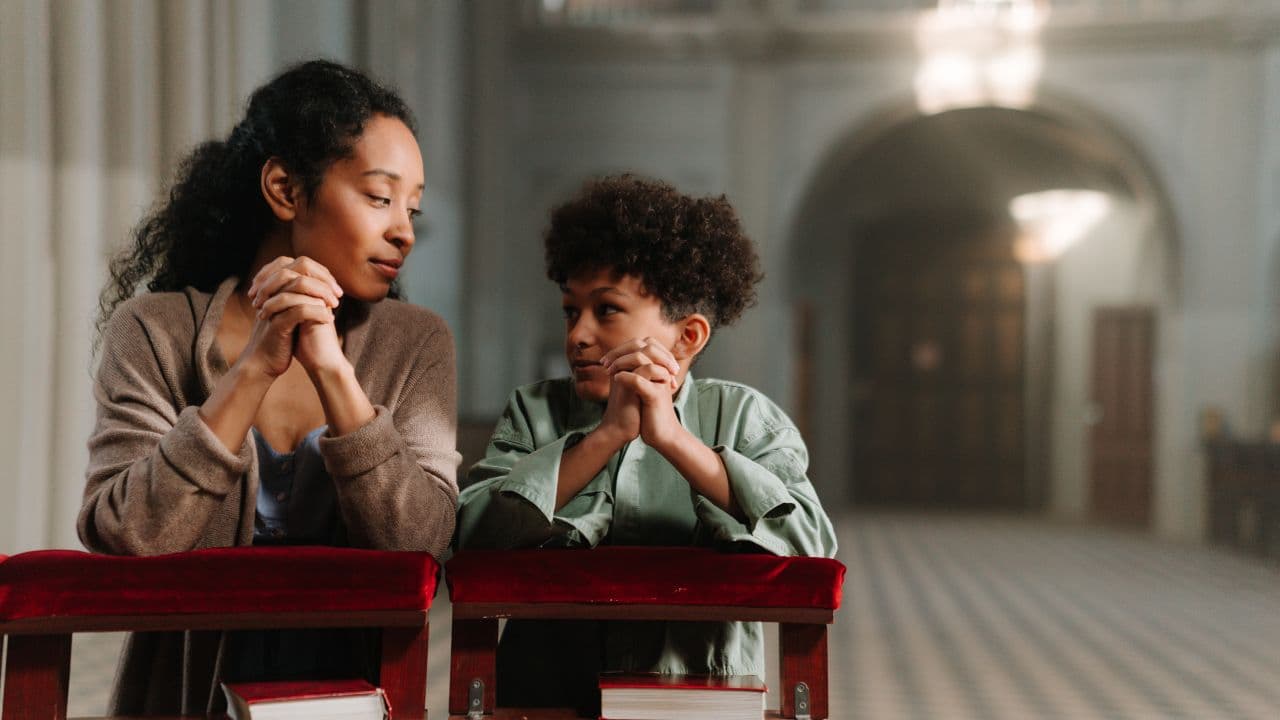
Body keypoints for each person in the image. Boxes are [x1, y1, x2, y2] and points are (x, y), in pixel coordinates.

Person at [80, 60, 459, 715]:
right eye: (378, 196)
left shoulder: (417, 341)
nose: (404, 229)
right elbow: (126, 532)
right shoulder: (154, 328)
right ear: (285, 189)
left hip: (357, 696)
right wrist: (253, 369)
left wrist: (336, 373)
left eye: (412, 207)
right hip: (182, 696)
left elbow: (422, 540)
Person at [455, 174, 837, 714]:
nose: (577, 335)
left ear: (688, 337)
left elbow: (811, 545)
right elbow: (470, 535)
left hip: (696, 701)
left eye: (606, 309)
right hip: (544, 699)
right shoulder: (534, 410)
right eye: (571, 310)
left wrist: (675, 441)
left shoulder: (745, 419)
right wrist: (608, 436)